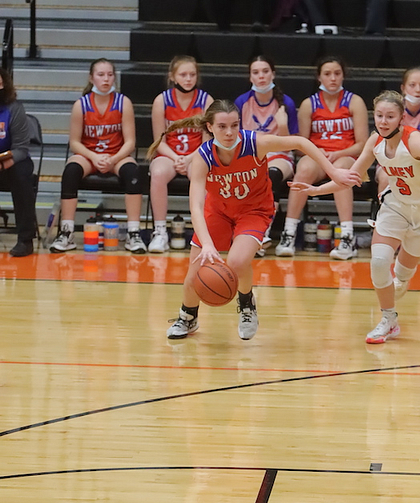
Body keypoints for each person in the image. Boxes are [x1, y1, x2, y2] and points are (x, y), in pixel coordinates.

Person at [164, 99, 357, 341]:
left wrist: (333, 172)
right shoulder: (203, 157)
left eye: (234, 125)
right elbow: (196, 205)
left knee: (237, 261)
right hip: (218, 211)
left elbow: (300, 142)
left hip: (253, 210)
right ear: (210, 127)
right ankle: (188, 316)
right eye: (222, 127)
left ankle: (247, 304)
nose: (229, 132)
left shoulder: (255, 143)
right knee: (195, 273)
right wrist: (208, 245)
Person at [291, 90, 420, 344]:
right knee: (378, 262)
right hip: (395, 205)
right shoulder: (374, 141)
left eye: (390, 116)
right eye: (379, 116)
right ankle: (388, 320)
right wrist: (315, 190)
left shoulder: (415, 142)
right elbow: (350, 178)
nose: (383, 121)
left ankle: (401, 282)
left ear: (401, 118)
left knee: (401, 277)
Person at [275, 56, 369, 260]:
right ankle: (289, 233)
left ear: (343, 75)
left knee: (343, 171)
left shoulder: (355, 101)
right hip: (318, 158)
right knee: (304, 169)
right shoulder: (309, 104)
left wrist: (338, 153)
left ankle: (347, 237)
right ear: (319, 77)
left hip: (346, 156)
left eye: (337, 73)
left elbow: (363, 144)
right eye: (327, 74)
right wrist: (319, 154)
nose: (332, 78)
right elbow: (300, 146)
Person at [50, 58, 146, 254]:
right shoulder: (81, 105)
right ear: (91, 78)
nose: (106, 79)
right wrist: (94, 157)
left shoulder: (123, 103)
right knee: (70, 171)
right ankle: (67, 232)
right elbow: (74, 142)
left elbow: (130, 142)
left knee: (133, 172)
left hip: (116, 156)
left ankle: (133, 233)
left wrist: (113, 159)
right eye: (101, 75)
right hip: (89, 156)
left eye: (110, 75)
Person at [375, 67, 420, 259]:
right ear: (403, 88)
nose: (418, 89)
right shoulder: (392, 109)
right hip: (392, 162)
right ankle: (388, 229)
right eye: (412, 85)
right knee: (385, 178)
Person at [146, 56, 213, 253]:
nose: (188, 79)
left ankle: (204, 233)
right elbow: (159, 142)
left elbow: (207, 142)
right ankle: (160, 233)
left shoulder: (206, 101)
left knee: (201, 174)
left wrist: (189, 158)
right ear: (172, 77)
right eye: (183, 75)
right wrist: (177, 159)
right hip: (169, 155)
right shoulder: (161, 101)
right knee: (157, 173)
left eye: (192, 74)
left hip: (196, 155)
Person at [235, 55, 298, 255]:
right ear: (250, 77)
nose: (261, 76)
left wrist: (283, 125)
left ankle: (262, 234)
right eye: (256, 72)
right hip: (250, 156)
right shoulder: (242, 102)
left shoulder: (286, 103)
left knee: (271, 174)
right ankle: (243, 232)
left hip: (280, 156)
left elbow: (290, 146)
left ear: (273, 74)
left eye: (265, 71)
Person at [0, 68, 36, 257]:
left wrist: (2, 164)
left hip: (9, 164)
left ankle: (25, 239)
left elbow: (21, 148)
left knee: (21, 174)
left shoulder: (14, 108)